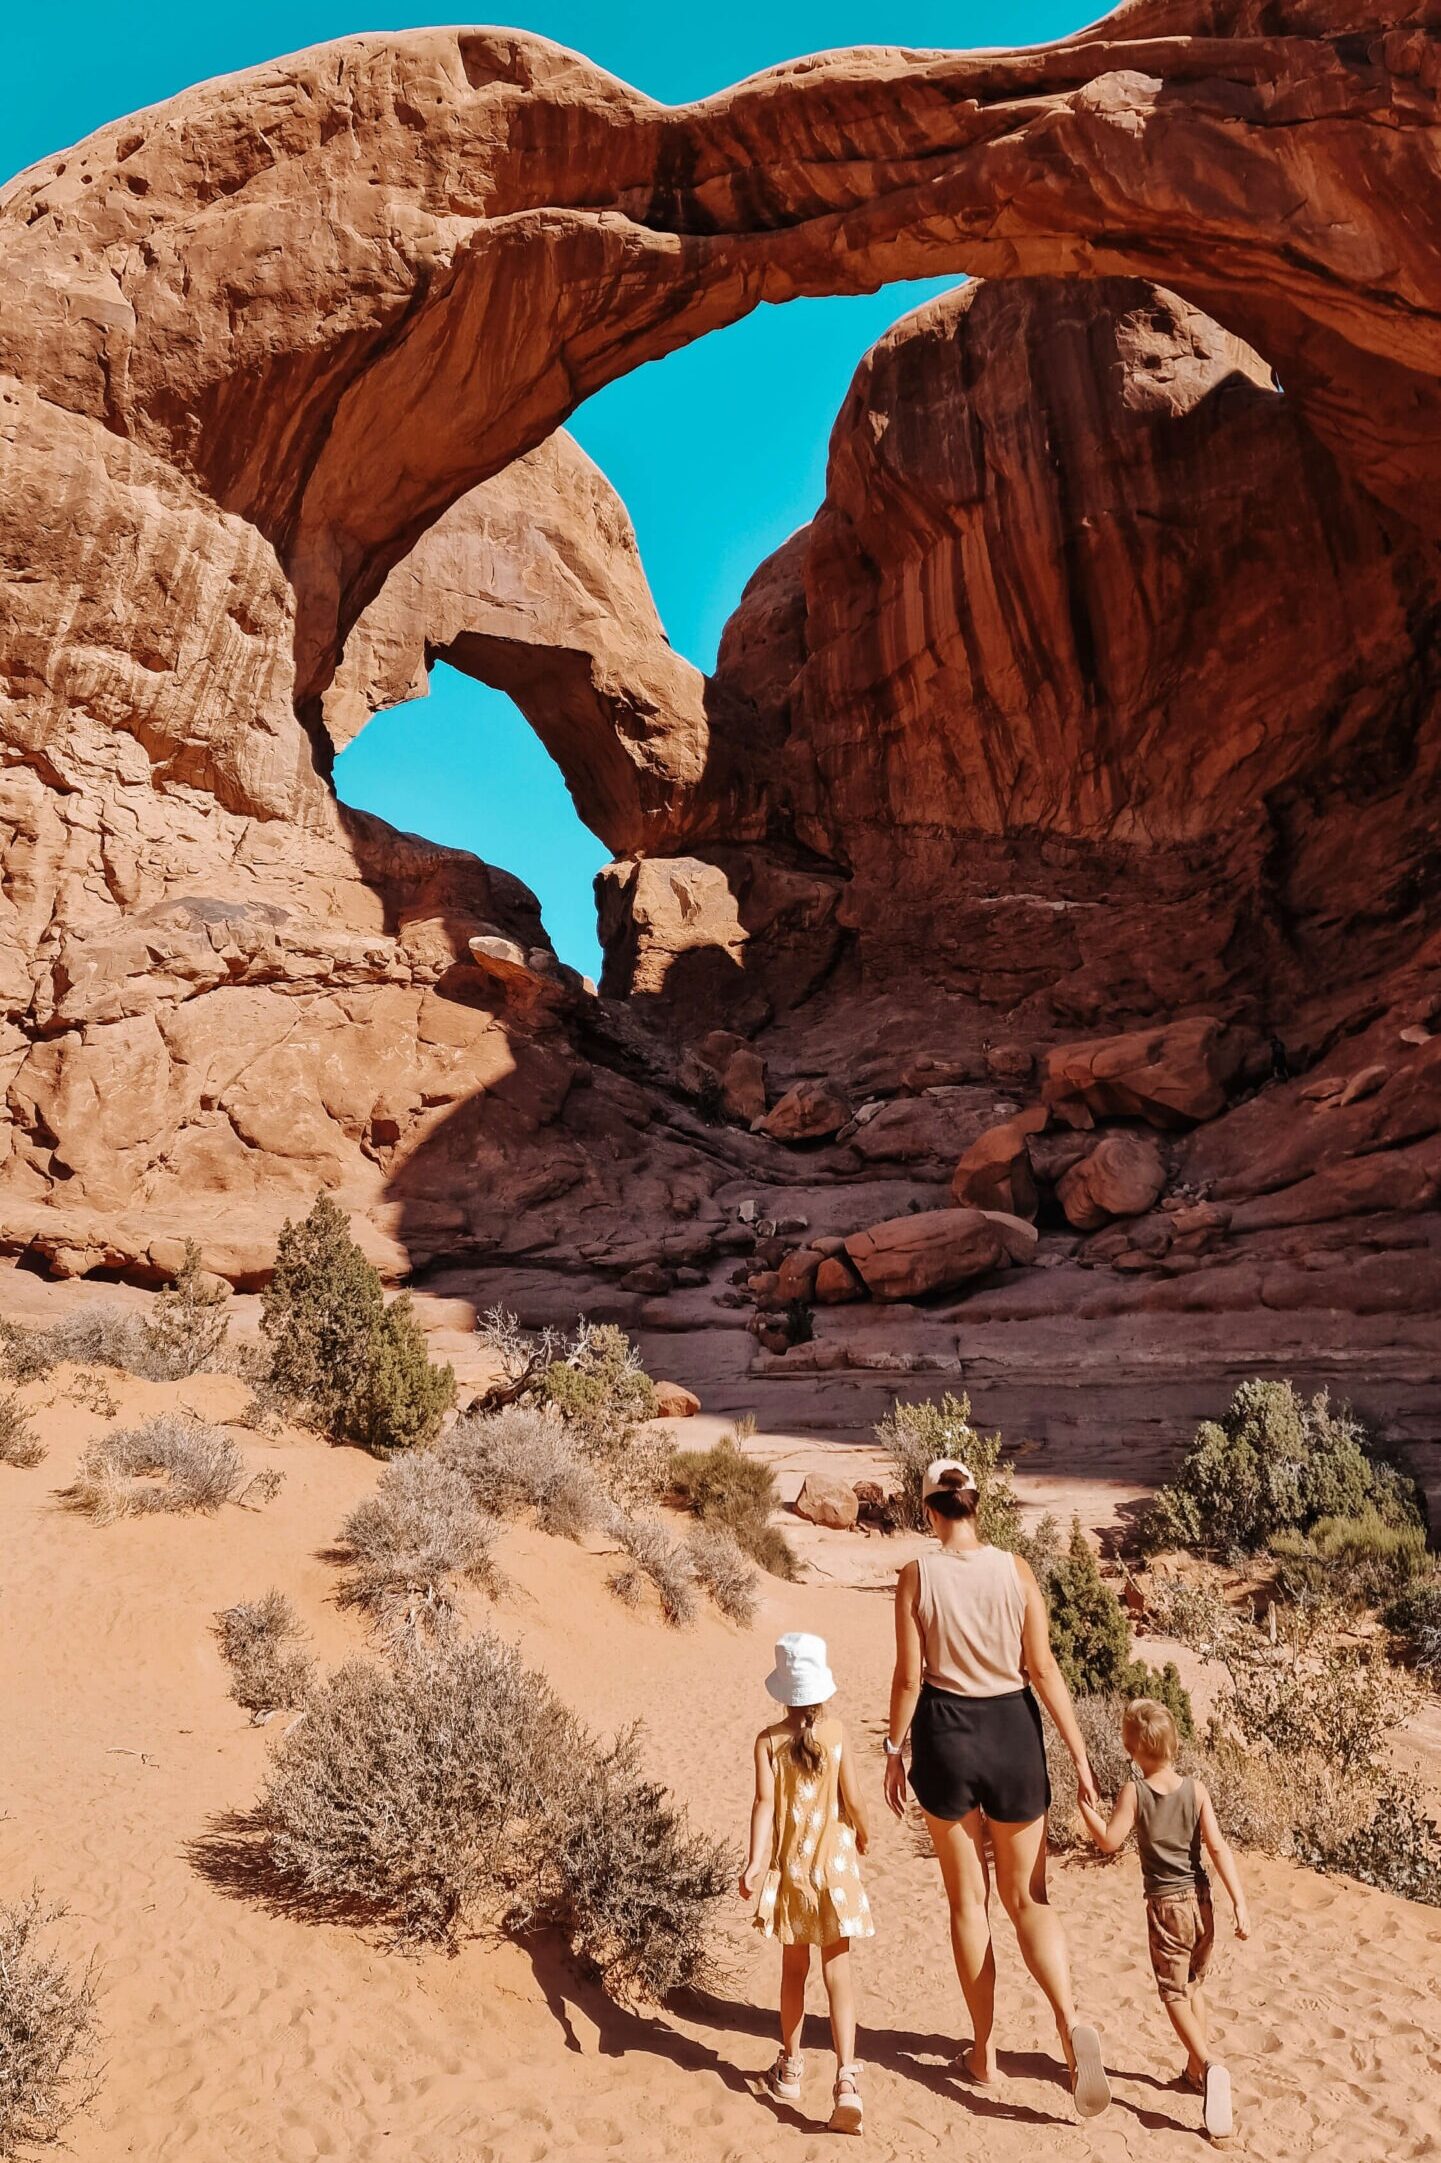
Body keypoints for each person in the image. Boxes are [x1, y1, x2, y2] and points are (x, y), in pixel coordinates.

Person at [883, 1458, 1111, 2119]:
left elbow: (906, 1676)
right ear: (975, 1505)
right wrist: (1079, 1754)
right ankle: (1069, 2026)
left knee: (969, 1904)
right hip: (1012, 1728)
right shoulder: (1014, 1569)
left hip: (945, 1733)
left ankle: (983, 2051)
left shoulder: (913, 1575)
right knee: (1028, 1898)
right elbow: (1041, 1666)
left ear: (927, 1509)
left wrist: (894, 1751)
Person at [1076, 1697, 1251, 2142]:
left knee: (1172, 1993)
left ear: (1131, 1746)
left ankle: (1208, 2064)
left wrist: (1087, 1813)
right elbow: (1217, 1848)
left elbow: (1110, 1843)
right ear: (1174, 1742)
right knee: (1194, 1983)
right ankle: (1195, 2072)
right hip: (1203, 1902)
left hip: (1167, 1907)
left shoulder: (1135, 1792)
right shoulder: (1197, 1789)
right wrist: (1240, 1901)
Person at [740, 1631, 874, 2134]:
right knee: (838, 1975)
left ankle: (791, 2066)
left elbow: (763, 1805)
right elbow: (855, 1799)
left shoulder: (768, 1742)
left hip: (792, 1875)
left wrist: (755, 1863)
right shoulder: (835, 1734)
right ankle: (846, 2080)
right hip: (833, 1873)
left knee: (793, 1972)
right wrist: (864, 1831)